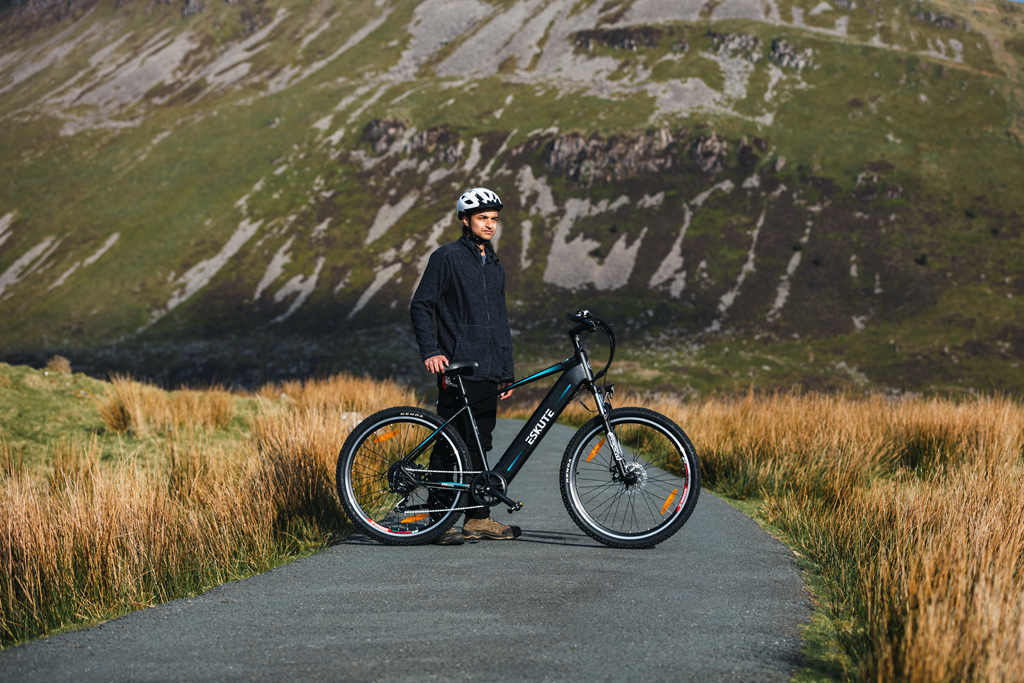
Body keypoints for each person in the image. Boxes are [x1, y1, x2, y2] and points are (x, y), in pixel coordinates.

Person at [410, 187, 518, 544]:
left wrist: (505, 372)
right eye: (482, 218)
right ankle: (438, 521)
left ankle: (477, 518)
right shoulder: (447, 257)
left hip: (488, 368)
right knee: (450, 443)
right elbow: (421, 305)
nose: (489, 225)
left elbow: (499, 321)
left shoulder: (494, 264)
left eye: (494, 219)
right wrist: (431, 351)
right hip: (457, 367)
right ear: (465, 220)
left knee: (480, 443)